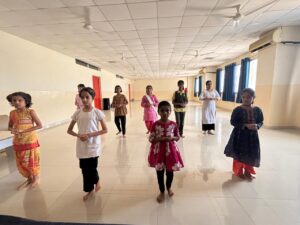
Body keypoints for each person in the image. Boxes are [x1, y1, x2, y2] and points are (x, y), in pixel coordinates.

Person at [67, 87, 108, 201]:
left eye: (87, 97)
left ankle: (96, 181)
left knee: (92, 167)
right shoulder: (77, 113)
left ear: (92, 98)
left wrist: (89, 135)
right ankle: (90, 189)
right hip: (81, 146)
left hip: (93, 145)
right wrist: (78, 135)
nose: (84, 100)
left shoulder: (97, 112)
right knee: (84, 169)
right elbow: (69, 130)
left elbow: (105, 130)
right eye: (82, 97)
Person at [148, 101, 184, 203]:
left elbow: (178, 137)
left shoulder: (173, 124)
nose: (165, 113)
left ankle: (168, 187)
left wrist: (172, 137)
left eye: (167, 110)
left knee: (170, 172)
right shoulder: (155, 124)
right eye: (162, 111)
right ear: (158, 112)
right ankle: (162, 191)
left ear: (171, 111)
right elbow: (151, 138)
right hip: (158, 152)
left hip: (171, 151)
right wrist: (161, 139)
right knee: (159, 172)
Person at [224, 88, 264, 180]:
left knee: (251, 153)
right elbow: (233, 122)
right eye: (243, 97)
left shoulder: (257, 110)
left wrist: (257, 126)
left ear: (253, 98)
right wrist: (245, 126)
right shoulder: (238, 110)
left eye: (248, 97)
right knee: (240, 153)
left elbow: (261, 121)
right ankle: (238, 171)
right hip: (239, 135)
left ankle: (248, 171)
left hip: (252, 136)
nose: (246, 99)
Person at [6, 92, 42, 189]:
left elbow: (39, 125)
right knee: (21, 160)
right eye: (14, 101)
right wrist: (12, 129)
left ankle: (36, 177)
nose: (17, 102)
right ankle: (29, 177)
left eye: (20, 100)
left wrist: (24, 131)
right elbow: (9, 126)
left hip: (30, 140)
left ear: (26, 101)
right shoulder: (12, 113)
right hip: (18, 141)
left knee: (31, 160)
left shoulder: (31, 112)